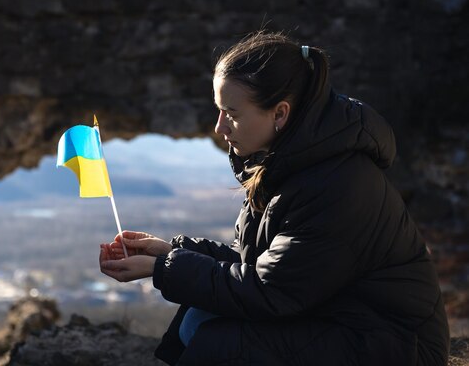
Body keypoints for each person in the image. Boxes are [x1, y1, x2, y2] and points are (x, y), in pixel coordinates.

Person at [99, 30, 450, 365]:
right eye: (219, 111)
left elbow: (272, 291)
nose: (220, 127)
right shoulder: (287, 163)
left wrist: (164, 269)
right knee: (199, 317)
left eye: (232, 114)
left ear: (280, 113)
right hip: (338, 318)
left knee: (219, 342)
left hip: (392, 345)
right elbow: (263, 264)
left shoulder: (338, 183)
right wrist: (170, 252)